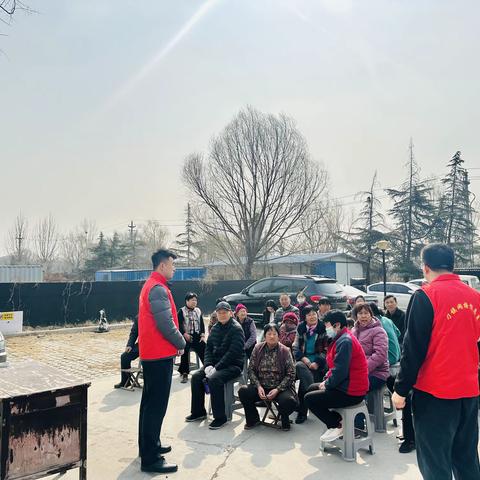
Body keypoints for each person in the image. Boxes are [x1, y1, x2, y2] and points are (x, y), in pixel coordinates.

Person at [393, 244, 480, 479]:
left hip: (435, 395)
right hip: (469, 393)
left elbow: (413, 349)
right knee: (467, 459)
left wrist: (400, 389)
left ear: (425, 267)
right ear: (452, 266)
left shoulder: (426, 296)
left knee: (435, 464)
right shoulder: (475, 297)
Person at [138, 249, 186, 474]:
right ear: (162, 266)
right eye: (172, 264)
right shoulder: (157, 288)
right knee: (156, 406)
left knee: (149, 404)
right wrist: (181, 343)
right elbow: (165, 323)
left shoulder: (153, 285)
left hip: (153, 355)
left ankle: (150, 445)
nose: (174, 268)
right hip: (158, 355)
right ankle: (150, 458)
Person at [304, 310, 369, 442]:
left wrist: (327, 384)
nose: (326, 329)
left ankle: (337, 424)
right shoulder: (340, 338)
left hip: (351, 391)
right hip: (344, 385)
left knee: (309, 399)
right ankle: (337, 422)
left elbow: (340, 371)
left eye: (327, 325)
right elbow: (335, 367)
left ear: (337, 325)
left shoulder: (345, 341)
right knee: (312, 388)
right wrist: (326, 381)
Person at [186, 301, 245, 430]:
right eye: (219, 313)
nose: (222, 315)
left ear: (230, 313)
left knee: (214, 379)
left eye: (225, 312)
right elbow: (208, 349)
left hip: (232, 365)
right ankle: (198, 412)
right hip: (215, 365)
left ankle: (220, 417)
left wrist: (216, 368)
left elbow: (233, 353)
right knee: (196, 377)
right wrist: (207, 365)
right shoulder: (215, 328)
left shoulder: (236, 328)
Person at [238, 324, 298, 431]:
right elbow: (250, 370)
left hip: (280, 388)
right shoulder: (257, 348)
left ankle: (283, 417)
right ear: (264, 336)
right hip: (261, 386)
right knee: (243, 391)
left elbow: (291, 374)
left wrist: (277, 389)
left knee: (289, 401)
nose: (271, 336)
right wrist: (258, 386)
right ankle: (253, 419)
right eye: (269, 334)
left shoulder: (285, 351)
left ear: (279, 336)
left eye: (274, 334)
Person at [293, 305, 328, 424]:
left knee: (304, 379)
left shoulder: (323, 328)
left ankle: (302, 412)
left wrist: (317, 363)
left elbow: (326, 349)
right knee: (299, 367)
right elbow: (295, 347)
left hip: (319, 363)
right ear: (305, 317)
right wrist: (304, 359)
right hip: (304, 361)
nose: (312, 316)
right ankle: (309, 401)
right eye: (309, 315)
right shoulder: (301, 328)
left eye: (314, 314)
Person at [351, 303, 389, 391]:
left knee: (354, 387)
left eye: (366, 313)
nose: (363, 316)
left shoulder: (378, 331)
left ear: (371, 315)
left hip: (377, 373)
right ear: (356, 316)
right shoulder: (353, 330)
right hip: (357, 371)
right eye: (360, 313)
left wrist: (362, 369)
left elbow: (380, 355)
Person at [178, 292, 206, 383]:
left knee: (204, 348)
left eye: (195, 300)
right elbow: (178, 324)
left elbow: (201, 324)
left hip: (197, 336)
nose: (194, 302)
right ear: (187, 301)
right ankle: (185, 373)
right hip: (186, 336)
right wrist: (184, 334)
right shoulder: (181, 311)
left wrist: (202, 335)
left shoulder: (198, 310)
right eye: (192, 300)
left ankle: (207, 368)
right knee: (185, 350)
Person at [114, 316, 139, 389]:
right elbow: (134, 333)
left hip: (153, 346)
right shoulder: (139, 317)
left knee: (147, 361)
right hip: (142, 345)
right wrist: (129, 345)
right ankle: (125, 381)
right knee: (124, 356)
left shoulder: (155, 314)